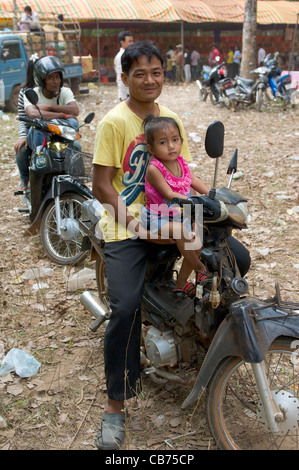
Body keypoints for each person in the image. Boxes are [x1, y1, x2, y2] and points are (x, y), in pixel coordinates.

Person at [92, 40, 251, 450]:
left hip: (173, 218)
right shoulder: (114, 122)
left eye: (156, 72)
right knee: (125, 307)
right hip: (127, 226)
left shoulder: (171, 118)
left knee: (237, 260)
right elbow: (101, 186)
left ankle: (199, 334)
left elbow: (182, 171)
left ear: (166, 74)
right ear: (124, 78)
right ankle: (115, 406)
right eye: (139, 73)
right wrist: (132, 221)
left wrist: (214, 194)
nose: (149, 80)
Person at [141, 114, 209, 294]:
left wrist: (210, 195)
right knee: (181, 231)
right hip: (158, 217)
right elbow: (169, 194)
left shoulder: (181, 162)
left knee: (198, 238)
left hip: (180, 214)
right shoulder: (154, 169)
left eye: (175, 140)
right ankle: (200, 268)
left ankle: (180, 283)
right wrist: (195, 201)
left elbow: (194, 180)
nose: (171, 146)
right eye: (163, 142)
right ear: (151, 148)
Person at [23, 56, 80, 152]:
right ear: (42, 80)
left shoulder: (65, 91)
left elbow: (75, 110)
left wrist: (50, 106)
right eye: (50, 78)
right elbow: (33, 114)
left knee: (78, 146)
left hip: (61, 135)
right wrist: (63, 115)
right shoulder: (33, 93)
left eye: (57, 77)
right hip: (40, 135)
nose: (56, 81)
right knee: (21, 152)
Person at [13, 57, 36, 190]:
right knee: (20, 150)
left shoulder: (51, 90)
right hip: (30, 131)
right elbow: (21, 117)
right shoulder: (24, 91)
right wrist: (23, 136)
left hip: (50, 130)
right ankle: (24, 179)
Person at [114, 31, 134, 101]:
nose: (132, 43)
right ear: (122, 42)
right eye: (130, 41)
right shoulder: (120, 57)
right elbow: (120, 77)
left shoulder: (129, 55)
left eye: (132, 41)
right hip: (126, 94)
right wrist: (123, 97)